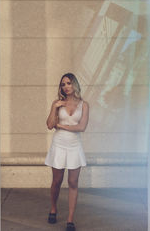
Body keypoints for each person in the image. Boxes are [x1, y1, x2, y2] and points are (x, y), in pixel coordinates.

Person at [45, 73, 89, 231]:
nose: (66, 86)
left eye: (69, 83)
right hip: (59, 145)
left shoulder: (84, 105)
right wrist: (54, 108)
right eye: (63, 84)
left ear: (74, 84)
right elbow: (50, 125)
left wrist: (62, 126)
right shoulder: (57, 103)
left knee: (73, 182)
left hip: (74, 146)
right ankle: (53, 208)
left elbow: (81, 127)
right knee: (56, 181)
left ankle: (70, 219)